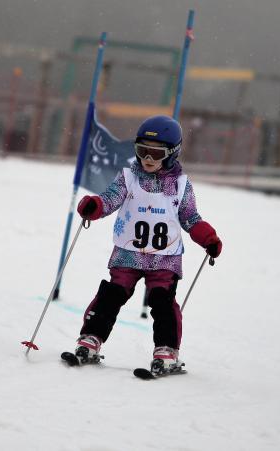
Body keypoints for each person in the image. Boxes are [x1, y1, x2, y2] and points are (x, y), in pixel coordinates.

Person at [70, 115, 223, 375]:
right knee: (111, 295)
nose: (148, 159)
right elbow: (109, 200)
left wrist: (207, 237)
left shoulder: (180, 186)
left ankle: (166, 350)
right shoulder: (129, 178)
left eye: (156, 153)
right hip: (128, 254)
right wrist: (94, 207)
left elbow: (190, 217)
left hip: (164, 259)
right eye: (142, 151)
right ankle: (91, 338)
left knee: (162, 302)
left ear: (172, 154)